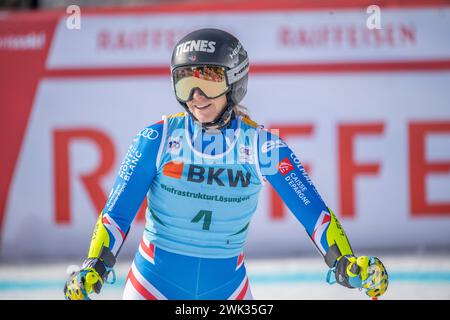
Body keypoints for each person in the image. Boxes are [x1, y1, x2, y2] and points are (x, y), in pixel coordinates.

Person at [64, 28, 388, 300]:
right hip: (151, 287)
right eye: (184, 82)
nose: (196, 96)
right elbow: (116, 216)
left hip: (227, 294)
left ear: (235, 83)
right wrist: (96, 266)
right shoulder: (156, 139)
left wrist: (345, 263)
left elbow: (316, 216)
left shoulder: (264, 147)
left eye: (209, 81)